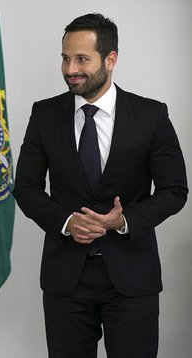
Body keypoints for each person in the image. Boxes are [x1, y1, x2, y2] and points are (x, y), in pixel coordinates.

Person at [13, 13, 188, 357]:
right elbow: (26, 187)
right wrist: (67, 222)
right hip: (66, 280)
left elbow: (174, 190)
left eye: (81, 59)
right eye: (65, 58)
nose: (69, 68)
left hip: (132, 279)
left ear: (110, 59)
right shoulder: (44, 114)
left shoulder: (150, 115)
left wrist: (123, 221)